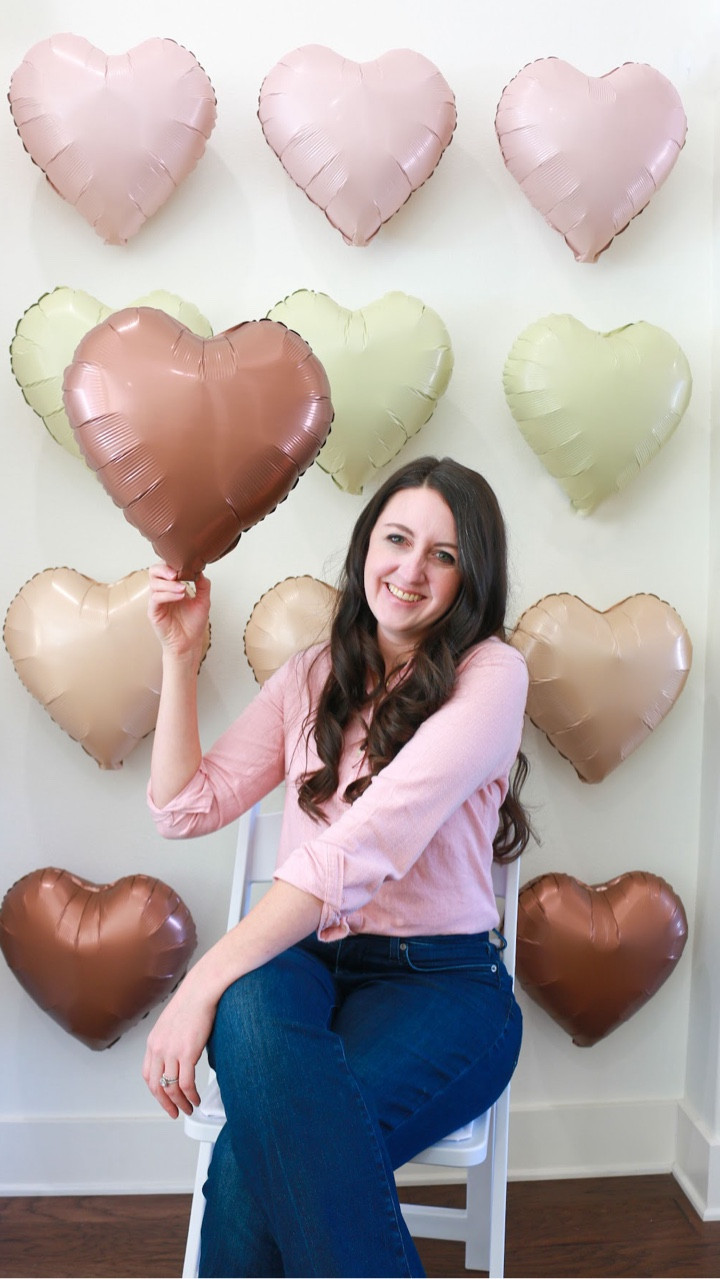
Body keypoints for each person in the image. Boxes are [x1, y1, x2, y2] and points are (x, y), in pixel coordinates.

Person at [143, 454, 531, 1278]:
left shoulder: (491, 674)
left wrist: (199, 980)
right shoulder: (309, 676)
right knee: (255, 995)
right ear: (366, 547)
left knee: (254, 1163)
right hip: (302, 960)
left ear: (472, 577)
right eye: (397, 538)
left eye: (445, 554)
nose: (411, 569)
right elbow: (183, 807)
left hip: (442, 984)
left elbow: (365, 844)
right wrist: (180, 656)